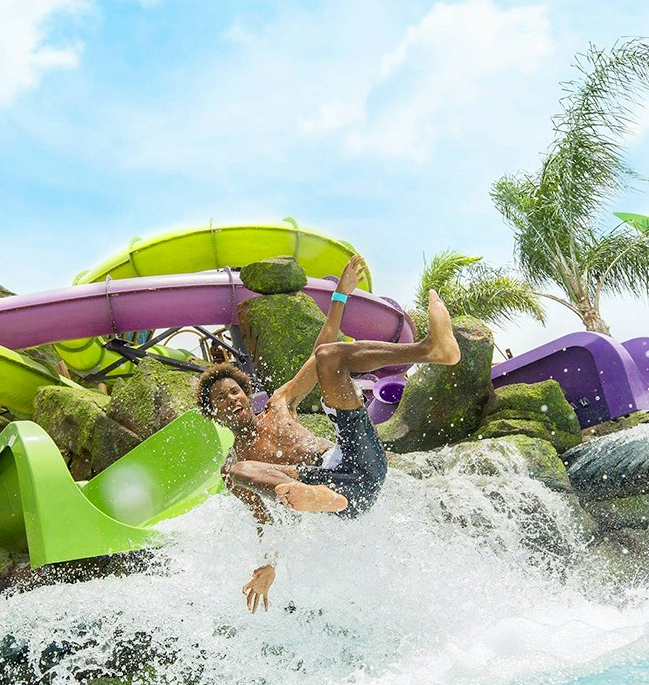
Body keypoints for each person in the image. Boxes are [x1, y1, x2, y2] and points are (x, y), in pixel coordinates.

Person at [195, 254, 459, 612]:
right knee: (234, 472)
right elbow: (265, 521)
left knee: (329, 357)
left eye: (234, 392)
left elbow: (321, 348)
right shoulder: (243, 461)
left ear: (245, 393)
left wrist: (341, 295)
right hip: (331, 493)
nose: (231, 400)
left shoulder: (279, 404)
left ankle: (432, 349)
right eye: (220, 400)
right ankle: (317, 495)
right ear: (214, 414)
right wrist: (270, 565)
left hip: (356, 462)